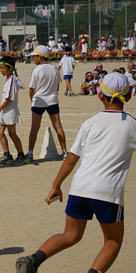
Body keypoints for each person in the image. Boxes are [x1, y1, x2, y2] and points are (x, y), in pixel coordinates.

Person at [15, 72, 136, 273]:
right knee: (113, 241)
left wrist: (56, 185)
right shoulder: (132, 125)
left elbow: (71, 159)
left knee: (70, 235)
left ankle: (32, 260)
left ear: (99, 95)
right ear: (129, 96)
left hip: (80, 187)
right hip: (108, 193)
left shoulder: (90, 123)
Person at [27, 45, 68, 161]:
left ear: (40, 57)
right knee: (58, 126)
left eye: (35, 56)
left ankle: (30, 153)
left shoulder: (36, 70)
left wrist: (32, 101)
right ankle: (64, 151)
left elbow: (31, 90)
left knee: (34, 128)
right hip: (53, 101)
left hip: (39, 101)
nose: (33, 59)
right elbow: (58, 86)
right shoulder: (54, 68)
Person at [0, 56, 27, 165]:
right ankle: (7, 155)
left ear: (11, 68)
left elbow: (9, 98)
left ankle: (21, 155)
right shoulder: (8, 79)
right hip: (4, 111)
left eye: (3, 68)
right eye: (0, 68)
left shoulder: (12, 80)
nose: (1, 70)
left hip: (9, 111)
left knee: (12, 134)